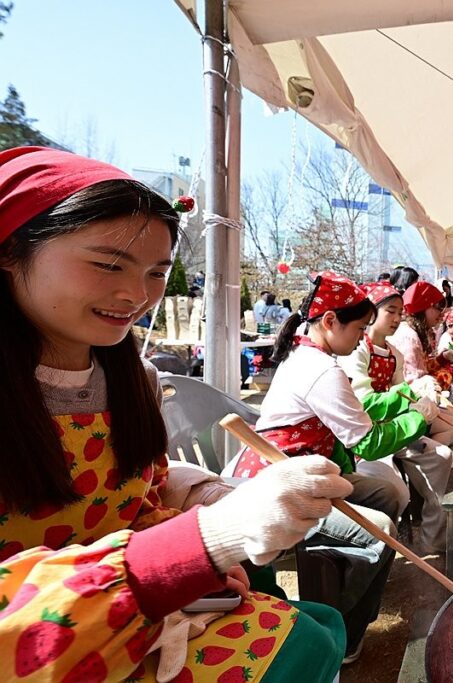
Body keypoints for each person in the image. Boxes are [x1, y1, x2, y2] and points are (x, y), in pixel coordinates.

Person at [0, 146, 350, 682]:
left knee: (316, 629)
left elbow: (137, 504)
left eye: (158, 272)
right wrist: (202, 541)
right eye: (107, 264)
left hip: (143, 622)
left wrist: (203, 552)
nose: (135, 295)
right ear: (10, 251)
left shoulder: (132, 381)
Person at [230, 272, 432, 662]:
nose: (363, 335)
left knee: (388, 493)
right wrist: (419, 418)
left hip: (311, 476)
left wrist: (405, 396)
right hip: (280, 485)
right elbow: (368, 442)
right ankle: (345, 628)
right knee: (381, 532)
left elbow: (359, 412)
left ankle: (340, 587)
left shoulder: (312, 356)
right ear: (329, 322)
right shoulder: (320, 369)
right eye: (358, 327)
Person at [340, 281, 453, 554]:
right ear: (372, 312)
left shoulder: (394, 354)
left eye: (400, 313)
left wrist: (422, 396)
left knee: (441, 455)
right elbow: (365, 402)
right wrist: (414, 393)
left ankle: (431, 541)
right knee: (394, 489)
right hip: (364, 435)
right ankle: (388, 544)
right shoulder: (358, 350)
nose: (396, 319)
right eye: (390, 311)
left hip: (393, 428)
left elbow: (403, 396)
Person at [389, 281, 453, 398]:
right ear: (423, 306)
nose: (442, 314)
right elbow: (418, 388)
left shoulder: (416, 331)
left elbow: (424, 367)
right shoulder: (409, 337)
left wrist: (444, 358)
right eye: (438, 307)